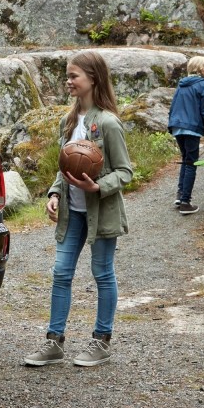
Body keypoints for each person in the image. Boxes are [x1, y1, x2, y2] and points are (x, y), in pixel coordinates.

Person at [24, 51, 132, 369]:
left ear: (93, 79)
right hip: (72, 212)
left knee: (102, 273)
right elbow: (64, 167)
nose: (68, 81)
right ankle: (54, 342)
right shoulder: (68, 120)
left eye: (74, 76)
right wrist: (55, 193)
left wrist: (98, 187)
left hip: (102, 212)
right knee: (60, 273)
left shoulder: (108, 123)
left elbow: (125, 172)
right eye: (67, 76)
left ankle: (102, 340)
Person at [168, 56, 204, 215]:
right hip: (191, 127)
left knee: (186, 159)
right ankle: (185, 202)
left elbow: (173, 105)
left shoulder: (182, 84)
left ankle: (180, 194)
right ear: (200, 70)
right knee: (191, 163)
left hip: (177, 126)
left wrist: (172, 124)